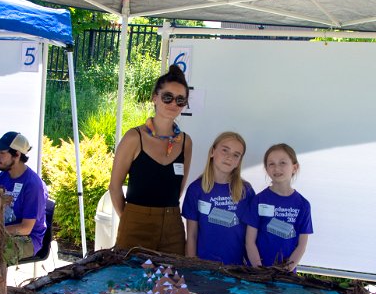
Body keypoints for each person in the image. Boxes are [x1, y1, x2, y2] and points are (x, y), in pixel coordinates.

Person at [109, 65, 192, 254]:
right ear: (155, 97)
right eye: (167, 97)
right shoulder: (134, 137)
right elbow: (114, 187)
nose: (173, 104)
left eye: (180, 100)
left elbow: (178, 188)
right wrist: (130, 218)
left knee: (171, 282)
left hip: (173, 227)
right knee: (132, 283)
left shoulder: (186, 142)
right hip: (135, 223)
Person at [183, 131, 254, 265]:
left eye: (236, 155)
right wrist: (192, 267)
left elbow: (251, 236)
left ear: (238, 162)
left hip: (236, 267)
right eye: (225, 150)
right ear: (212, 152)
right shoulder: (195, 189)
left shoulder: (246, 191)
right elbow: (191, 235)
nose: (229, 157)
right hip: (203, 266)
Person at [243, 143, 313, 271]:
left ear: (295, 167)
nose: (277, 168)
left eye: (282, 163)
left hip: (285, 276)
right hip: (256, 274)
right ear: (266, 169)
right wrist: (260, 271)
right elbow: (250, 241)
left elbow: (301, 246)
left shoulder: (303, 205)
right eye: (271, 164)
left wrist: (285, 271)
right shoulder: (258, 200)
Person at [0, 131, 48, 266]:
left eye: (2, 153)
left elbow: (26, 228)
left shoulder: (33, 185)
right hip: (4, 232)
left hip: (28, 240)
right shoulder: (1, 177)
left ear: (17, 154)